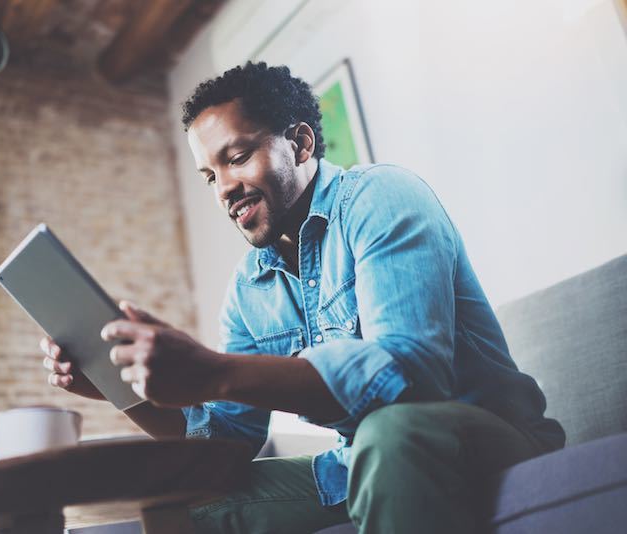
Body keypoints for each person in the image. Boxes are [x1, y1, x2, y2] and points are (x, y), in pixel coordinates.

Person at [38, 62, 564, 533]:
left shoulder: (380, 198)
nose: (223, 188)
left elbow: (410, 374)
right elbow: (225, 443)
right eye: (209, 175)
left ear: (302, 144)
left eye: (237, 157)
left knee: (391, 432)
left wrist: (213, 370)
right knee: (185, 505)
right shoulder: (249, 291)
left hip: (489, 442)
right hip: (360, 462)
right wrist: (117, 385)